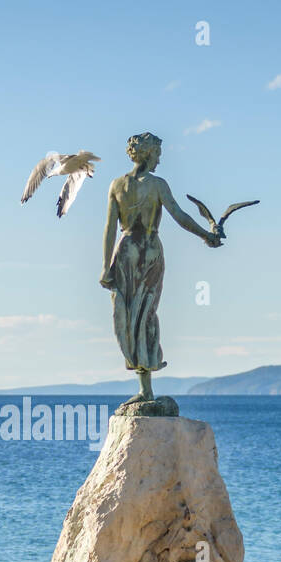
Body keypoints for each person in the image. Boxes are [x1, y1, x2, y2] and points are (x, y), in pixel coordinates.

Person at [100, 132, 221, 402]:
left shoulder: (116, 185)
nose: (159, 161)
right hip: (149, 251)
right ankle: (146, 389)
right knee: (146, 314)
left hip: (125, 251)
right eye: (158, 155)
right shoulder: (157, 185)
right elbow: (179, 215)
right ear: (148, 153)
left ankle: (144, 387)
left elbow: (110, 230)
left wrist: (106, 266)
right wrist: (207, 235)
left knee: (130, 316)